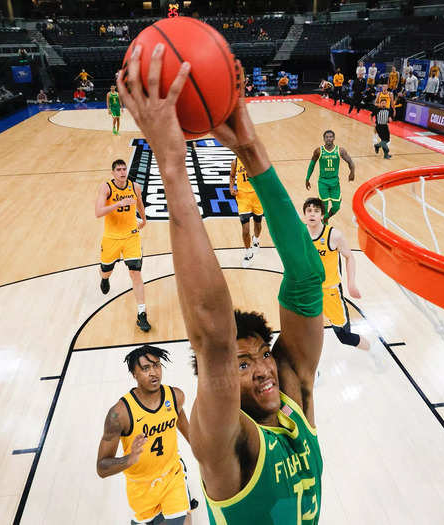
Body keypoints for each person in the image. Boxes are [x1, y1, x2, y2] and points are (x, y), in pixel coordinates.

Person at [118, 43, 324, 524]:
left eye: (263, 355)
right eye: (244, 363)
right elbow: (213, 338)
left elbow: (307, 277)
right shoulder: (224, 444)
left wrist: (251, 150)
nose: (263, 370)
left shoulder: (296, 396)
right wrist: (171, 162)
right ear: (218, 382)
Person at [97, 346, 192, 525]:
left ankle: (186, 504)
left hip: (172, 476)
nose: (154, 372)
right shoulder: (119, 414)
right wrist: (129, 459)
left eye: (156, 366)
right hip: (140, 488)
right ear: (134, 374)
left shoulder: (175, 396)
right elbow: (101, 468)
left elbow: (186, 428)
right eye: (146, 368)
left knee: (181, 519)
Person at [303, 198, 371, 351]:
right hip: (308, 292)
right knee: (305, 332)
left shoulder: (334, 235)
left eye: (316, 211)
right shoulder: (300, 234)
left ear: (322, 215)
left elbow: (349, 257)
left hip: (330, 291)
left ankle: (374, 352)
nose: (312, 214)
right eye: (309, 210)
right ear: (304, 215)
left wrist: (351, 283)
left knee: (345, 337)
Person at [94, 159, 151, 332]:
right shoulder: (106, 187)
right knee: (106, 269)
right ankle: (104, 279)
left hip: (131, 236)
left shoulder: (134, 187)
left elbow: (139, 202)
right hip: (111, 237)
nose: (122, 172)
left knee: (135, 273)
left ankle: (142, 313)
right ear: (113, 173)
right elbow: (98, 213)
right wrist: (118, 204)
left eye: (124, 169)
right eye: (118, 169)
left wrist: (143, 217)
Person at [306, 130, 355, 223]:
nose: (329, 139)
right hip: (323, 182)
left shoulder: (340, 150)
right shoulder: (318, 151)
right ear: (324, 139)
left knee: (336, 206)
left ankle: (326, 218)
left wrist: (352, 172)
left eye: (331, 137)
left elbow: (350, 162)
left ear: (334, 138)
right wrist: (307, 178)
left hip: (335, 182)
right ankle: (324, 223)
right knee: (324, 206)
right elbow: (312, 165)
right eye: (327, 137)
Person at [229, 156, 265, 267]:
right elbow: (232, 176)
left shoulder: (256, 160)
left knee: (258, 224)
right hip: (243, 197)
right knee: (245, 229)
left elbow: (264, 176)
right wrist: (231, 188)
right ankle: (248, 253)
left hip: (257, 196)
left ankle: (256, 240)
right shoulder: (235, 161)